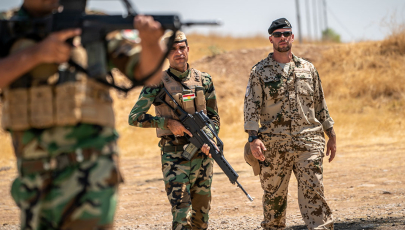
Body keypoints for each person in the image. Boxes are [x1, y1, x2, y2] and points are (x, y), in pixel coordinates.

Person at [0, 0, 165, 229]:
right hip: (33, 179)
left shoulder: (94, 24)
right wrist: (37, 54)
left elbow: (150, 75)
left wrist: (151, 43)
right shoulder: (7, 26)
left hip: (92, 175)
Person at [243, 18, 337, 230]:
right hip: (274, 147)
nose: (282, 38)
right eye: (278, 34)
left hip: (308, 142)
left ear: (292, 36)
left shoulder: (308, 69)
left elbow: (320, 103)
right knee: (274, 202)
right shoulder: (259, 71)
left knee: (314, 194)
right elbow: (251, 107)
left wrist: (330, 134)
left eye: (286, 33)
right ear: (271, 39)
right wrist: (253, 138)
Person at [128, 31, 220, 230]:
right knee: (181, 217)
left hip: (203, 157)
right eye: (173, 49)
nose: (179, 52)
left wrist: (210, 138)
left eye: (182, 48)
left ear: (188, 49)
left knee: (201, 218)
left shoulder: (204, 80)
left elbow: (214, 118)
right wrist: (167, 123)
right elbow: (134, 118)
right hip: (175, 158)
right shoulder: (156, 83)